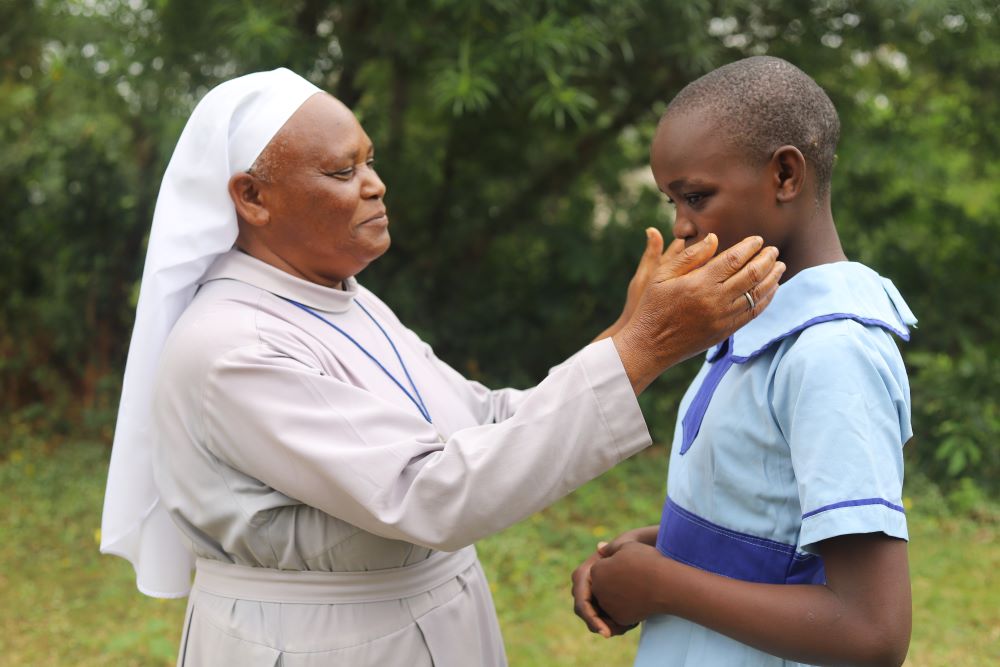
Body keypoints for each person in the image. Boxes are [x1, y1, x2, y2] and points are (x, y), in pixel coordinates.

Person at [99, 68, 784, 666]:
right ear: (252, 196)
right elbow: (433, 492)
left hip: (422, 618)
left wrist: (626, 338)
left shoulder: (343, 299)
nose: (375, 185)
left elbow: (481, 421)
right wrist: (642, 348)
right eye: (343, 172)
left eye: (370, 161)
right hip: (321, 643)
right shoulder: (229, 345)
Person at [571, 56, 918, 667]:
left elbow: (871, 633)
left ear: (786, 174)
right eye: (672, 200)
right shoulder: (753, 324)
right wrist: (665, 549)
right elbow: (777, 530)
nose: (681, 226)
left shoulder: (831, 353)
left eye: (697, 197)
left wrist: (662, 583)